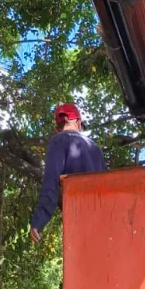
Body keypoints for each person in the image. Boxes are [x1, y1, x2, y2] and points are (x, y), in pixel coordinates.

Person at [30, 103, 106, 242]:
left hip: (79, 220)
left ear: (57, 127)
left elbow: (51, 183)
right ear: (78, 122)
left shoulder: (58, 141)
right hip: (102, 222)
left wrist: (39, 221)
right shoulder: (96, 149)